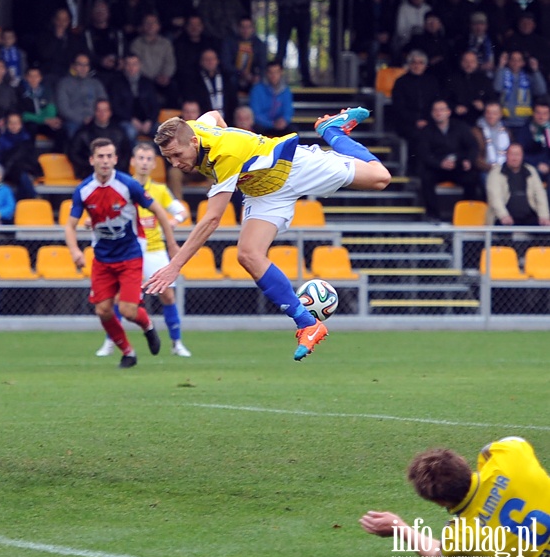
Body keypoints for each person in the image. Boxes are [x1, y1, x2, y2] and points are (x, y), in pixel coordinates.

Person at [145, 107, 390, 361]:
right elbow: (215, 114)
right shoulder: (194, 129)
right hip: (262, 190)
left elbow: (212, 219)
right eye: (168, 158)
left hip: (292, 167)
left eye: (177, 155)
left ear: (194, 142)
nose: (175, 163)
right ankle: (308, 324)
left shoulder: (224, 153)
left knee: (380, 178)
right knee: (249, 254)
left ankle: (331, 131)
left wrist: (175, 266)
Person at [64, 138, 179, 369]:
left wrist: (172, 243)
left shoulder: (128, 185)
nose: (105, 161)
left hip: (130, 255)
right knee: (103, 310)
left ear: (116, 159)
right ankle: (128, 352)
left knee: (127, 310)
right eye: (100, 156)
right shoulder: (84, 190)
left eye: (109, 156)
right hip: (103, 258)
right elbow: (70, 225)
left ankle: (148, 327)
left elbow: (157, 210)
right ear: (92, 160)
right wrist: (75, 250)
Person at [360, 437, 550, 557]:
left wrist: (399, 527)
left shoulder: (460, 538)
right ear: (463, 462)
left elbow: (435, 552)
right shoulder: (509, 459)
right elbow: (513, 441)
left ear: (440, 501)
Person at [95, 142, 192, 359]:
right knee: (120, 299)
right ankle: (111, 342)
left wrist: (173, 222)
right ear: (132, 161)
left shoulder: (159, 190)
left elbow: (182, 211)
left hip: (155, 250)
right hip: (128, 249)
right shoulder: (120, 186)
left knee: (167, 295)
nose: (145, 163)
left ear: (154, 163)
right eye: (141, 158)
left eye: (149, 159)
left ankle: (177, 343)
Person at [417, 98, 481, 221]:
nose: (438, 113)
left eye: (442, 110)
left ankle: (466, 215)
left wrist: (469, 160)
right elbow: (424, 154)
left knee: (472, 178)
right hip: (437, 168)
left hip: (458, 166)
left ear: (448, 112)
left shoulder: (461, 127)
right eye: (435, 110)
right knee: (426, 178)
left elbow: (473, 146)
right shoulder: (426, 131)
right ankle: (433, 215)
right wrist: (440, 163)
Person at [486, 143, 550, 227]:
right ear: (506, 155)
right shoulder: (495, 173)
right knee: (503, 231)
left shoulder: (531, 171)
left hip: (529, 217)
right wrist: (504, 216)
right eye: (512, 154)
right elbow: (495, 198)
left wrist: (544, 216)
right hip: (503, 218)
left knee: (544, 230)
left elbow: (540, 195)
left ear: (522, 156)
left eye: (517, 154)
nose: (514, 158)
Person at [274, 0, 314, 87]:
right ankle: (276, 78)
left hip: (303, 12)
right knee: (281, 48)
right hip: (286, 12)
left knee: (304, 47)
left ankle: (306, 78)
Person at [250, 61, 294, 138]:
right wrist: (272, 124)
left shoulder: (285, 90)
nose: (273, 76)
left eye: (276, 72)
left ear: (281, 73)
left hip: (280, 126)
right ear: (266, 73)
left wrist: (284, 120)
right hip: (263, 125)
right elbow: (255, 113)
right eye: (271, 72)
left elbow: (288, 110)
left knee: (292, 131)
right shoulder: (257, 89)